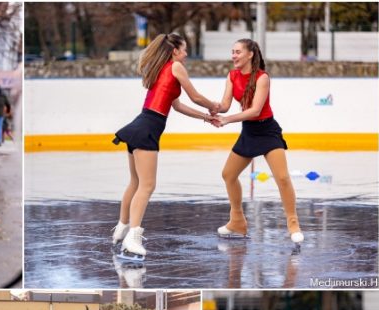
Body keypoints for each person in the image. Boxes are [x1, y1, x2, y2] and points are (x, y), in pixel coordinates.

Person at [110, 33, 218, 262]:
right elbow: (196, 97)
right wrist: (215, 107)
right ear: (174, 51)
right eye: (184, 49)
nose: (186, 54)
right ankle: (132, 236)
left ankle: (121, 227)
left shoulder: (163, 68)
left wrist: (205, 118)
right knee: (147, 186)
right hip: (148, 128)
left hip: (140, 125)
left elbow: (177, 105)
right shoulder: (176, 67)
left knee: (136, 183)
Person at [210, 39, 303, 244]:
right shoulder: (232, 76)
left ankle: (293, 222)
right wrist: (212, 108)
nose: (233, 56)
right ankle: (237, 221)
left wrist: (226, 120)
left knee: (282, 177)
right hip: (249, 132)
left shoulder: (262, 78)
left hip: (267, 130)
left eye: (238, 52)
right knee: (228, 174)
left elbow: (255, 110)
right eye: (232, 52)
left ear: (250, 54)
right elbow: (225, 105)